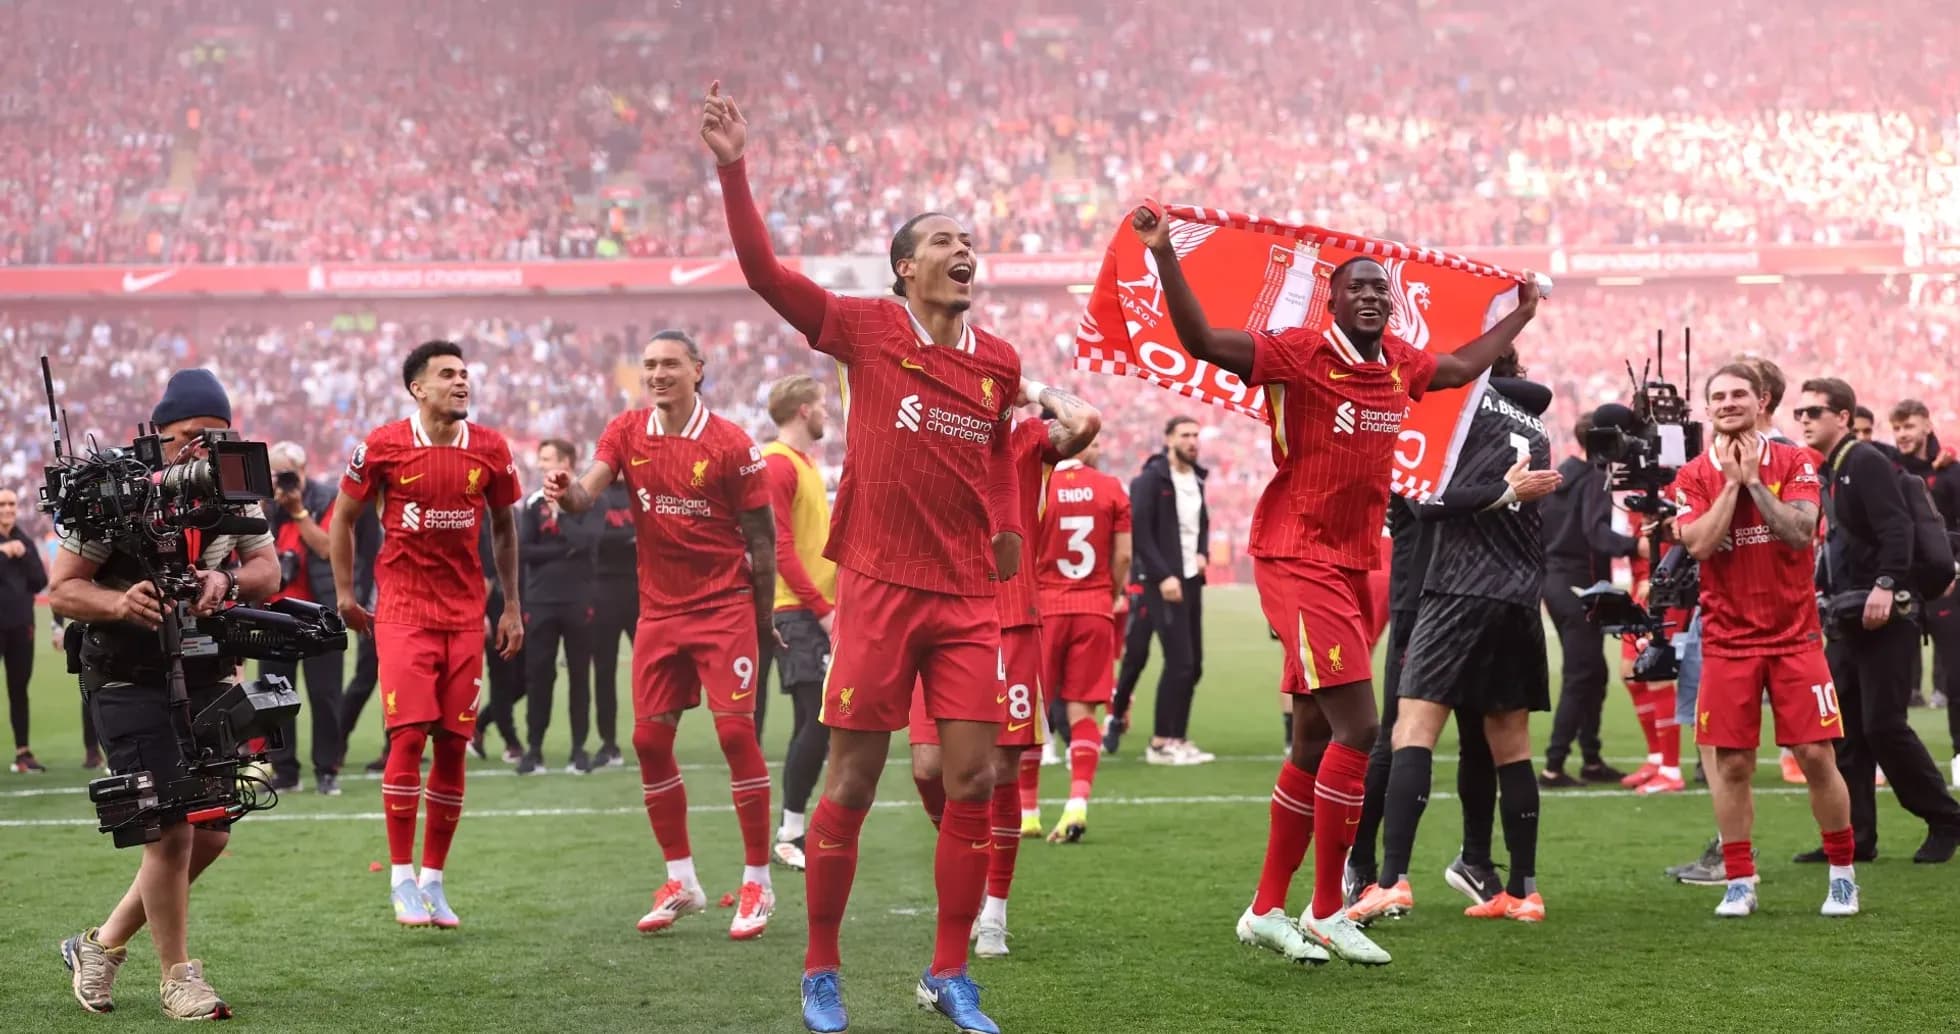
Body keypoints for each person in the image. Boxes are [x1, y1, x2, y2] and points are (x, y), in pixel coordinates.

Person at [1131, 199, 1543, 966]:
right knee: (1360, 728)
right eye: (1357, 288)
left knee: (1317, 738)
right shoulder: (1293, 353)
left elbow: (1456, 367)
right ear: (1331, 300)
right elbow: (1197, 340)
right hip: (1297, 555)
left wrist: (1520, 314)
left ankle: (1263, 909)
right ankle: (1328, 910)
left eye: (1381, 290)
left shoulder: (1398, 363)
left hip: (1353, 562)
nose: (1372, 298)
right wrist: (1163, 253)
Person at [708, 82, 1024, 1034]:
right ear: (902, 270)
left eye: (969, 239)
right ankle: (820, 970)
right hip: (881, 586)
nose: (962, 250)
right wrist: (734, 166)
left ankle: (948, 970)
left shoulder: (999, 362)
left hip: (969, 593)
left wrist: (1007, 528)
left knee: (973, 781)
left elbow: (1002, 453)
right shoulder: (867, 331)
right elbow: (765, 272)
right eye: (941, 240)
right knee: (851, 779)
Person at [52, 369, 280, 1019]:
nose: (203, 449)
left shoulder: (234, 481)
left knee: (209, 835)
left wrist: (225, 578)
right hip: (126, 676)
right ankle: (179, 977)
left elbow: (269, 567)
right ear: (159, 431)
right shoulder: (113, 489)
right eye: (190, 436)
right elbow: (65, 587)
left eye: (216, 435)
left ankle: (99, 946)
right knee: (172, 831)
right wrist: (119, 600)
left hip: (205, 671)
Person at [544, 329, 781, 938]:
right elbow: (584, 496)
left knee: (734, 733)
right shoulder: (625, 431)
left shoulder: (732, 443)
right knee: (649, 743)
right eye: (649, 364)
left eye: (669, 364)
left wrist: (763, 615)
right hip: (660, 611)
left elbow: (761, 540)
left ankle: (759, 881)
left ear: (697, 370)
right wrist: (563, 490)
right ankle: (684, 880)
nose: (656, 373)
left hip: (725, 606)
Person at [1349, 355, 1561, 925]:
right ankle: (1523, 890)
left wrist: (1495, 491)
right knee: (1510, 744)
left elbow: (1422, 502)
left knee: (1411, 730)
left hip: (1456, 588)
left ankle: (1388, 880)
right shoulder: (1536, 420)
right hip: (1520, 597)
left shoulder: (1452, 408)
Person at [329, 340, 525, 929]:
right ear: (418, 388)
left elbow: (505, 527)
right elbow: (341, 518)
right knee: (408, 737)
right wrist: (344, 593)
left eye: (465, 374)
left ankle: (435, 881)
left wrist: (511, 604)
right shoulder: (383, 446)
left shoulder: (490, 448)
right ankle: (401, 878)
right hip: (404, 612)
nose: (461, 382)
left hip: (466, 616)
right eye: (448, 374)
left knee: (453, 744)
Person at [908, 384, 1101, 959]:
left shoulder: (1025, 441)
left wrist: (1032, 390)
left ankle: (993, 909)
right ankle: (968, 859)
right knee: (928, 767)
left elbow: (1086, 419)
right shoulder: (928, 438)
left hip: (1009, 616)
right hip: (936, 613)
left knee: (999, 769)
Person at [1671, 364, 1859, 917]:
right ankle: (1739, 879)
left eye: (1738, 395)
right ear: (1707, 410)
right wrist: (1732, 480)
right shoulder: (1692, 476)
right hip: (1727, 642)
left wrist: (1755, 479)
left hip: (1795, 636)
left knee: (1815, 754)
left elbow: (1801, 531)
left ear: (1762, 402)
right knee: (1731, 764)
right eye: (1718, 397)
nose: (1728, 404)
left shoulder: (1796, 461)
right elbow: (1700, 546)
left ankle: (1843, 875)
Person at [1797, 379, 1960, 863]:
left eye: (1814, 411)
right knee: (1844, 730)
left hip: (1885, 612)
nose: (1804, 419)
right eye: (1800, 412)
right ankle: (1855, 838)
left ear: (1843, 417)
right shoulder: (1836, 468)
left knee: (1884, 725)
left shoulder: (1863, 461)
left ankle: (1946, 818)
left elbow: (1896, 527)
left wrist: (1887, 585)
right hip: (1849, 614)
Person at [1036, 434, 1132, 842]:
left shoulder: (1038, 484)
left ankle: (1025, 812)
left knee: (1032, 709)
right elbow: (1124, 555)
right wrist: (1106, 596)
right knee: (1083, 714)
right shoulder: (1111, 487)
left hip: (1044, 606)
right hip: (1093, 607)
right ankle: (1077, 802)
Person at [1538, 410, 1641, 786]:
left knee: (1593, 673)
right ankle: (1553, 765)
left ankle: (1591, 760)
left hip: (1555, 581)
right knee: (1582, 675)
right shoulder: (1596, 478)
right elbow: (1596, 535)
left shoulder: (1558, 476)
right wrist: (1638, 546)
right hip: (1580, 584)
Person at [759, 374, 837, 873]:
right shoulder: (778, 464)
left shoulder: (805, 464)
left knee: (818, 718)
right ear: (803, 410)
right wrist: (822, 609)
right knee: (818, 717)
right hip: (800, 611)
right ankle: (789, 832)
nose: (827, 412)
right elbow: (779, 547)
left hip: (814, 608)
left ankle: (794, 829)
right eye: (822, 405)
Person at [261, 442, 348, 796]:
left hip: (318, 612)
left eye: (287, 474)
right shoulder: (262, 505)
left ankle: (327, 769)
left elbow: (327, 547)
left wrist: (298, 512)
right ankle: (285, 770)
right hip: (273, 611)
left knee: (325, 695)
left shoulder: (327, 498)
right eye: (275, 474)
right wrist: (265, 509)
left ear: (303, 469)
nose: (282, 482)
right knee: (274, 695)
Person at [1128, 416, 1213, 764]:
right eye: (1185, 435)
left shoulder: (1196, 478)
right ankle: (1161, 742)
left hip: (1192, 578)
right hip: (1163, 583)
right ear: (1168, 440)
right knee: (1179, 662)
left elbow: (1201, 524)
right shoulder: (1150, 480)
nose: (1193, 441)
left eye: (1196, 435)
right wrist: (1163, 575)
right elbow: (1140, 533)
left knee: (1194, 666)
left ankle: (1178, 737)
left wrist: (1203, 553)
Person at [517, 438, 602, 775]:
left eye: (548, 459)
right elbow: (525, 551)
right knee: (539, 676)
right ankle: (534, 749)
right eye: (539, 459)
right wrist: (564, 549)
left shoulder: (587, 499)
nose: (541, 466)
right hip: (540, 601)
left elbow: (587, 542)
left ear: (566, 462)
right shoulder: (532, 503)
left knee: (580, 676)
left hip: (579, 600)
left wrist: (560, 517)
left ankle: (579, 749)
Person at [1885, 399, 1960, 770]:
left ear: (1927, 426)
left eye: (1909, 426)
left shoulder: (1951, 473)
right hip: (1904, 586)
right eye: (1897, 428)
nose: (1902, 434)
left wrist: (1954, 567)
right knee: (1892, 677)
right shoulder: (1889, 472)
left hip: (1947, 585)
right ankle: (1888, 760)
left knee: (1957, 677)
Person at [588, 476, 638, 769]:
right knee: (603, 672)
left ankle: (654, 739)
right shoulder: (594, 493)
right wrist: (631, 536)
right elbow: (592, 537)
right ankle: (608, 743)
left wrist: (625, 537)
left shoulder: (642, 488)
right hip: (602, 591)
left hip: (639, 590)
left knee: (650, 672)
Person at [2, 487, 49, 772]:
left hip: (22, 626)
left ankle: (23, 752)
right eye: (2, 504)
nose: (7, 509)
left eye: (11, 504)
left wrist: (21, 555)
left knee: (19, 689)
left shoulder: (24, 540)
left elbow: (39, 580)